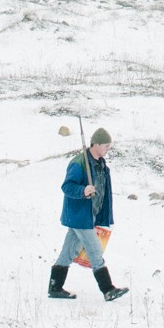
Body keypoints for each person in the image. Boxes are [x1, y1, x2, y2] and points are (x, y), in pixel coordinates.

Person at [51, 127, 127, 302]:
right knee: (95, 251)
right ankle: (108, 290)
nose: (108, 149)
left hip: (89, 214)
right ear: (96, 144)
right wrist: (83, 190)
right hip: (79, 215)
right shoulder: (79, 163)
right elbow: (67, 186)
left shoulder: (100, 164)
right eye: (106, 146)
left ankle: (55, 287)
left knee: (68, 252)